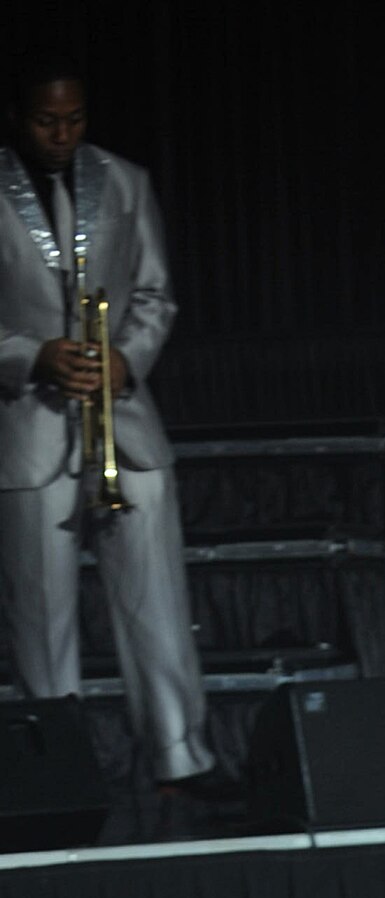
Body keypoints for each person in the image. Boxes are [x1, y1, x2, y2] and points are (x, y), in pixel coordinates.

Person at [0, 53, 220, 791]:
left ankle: (180, 757)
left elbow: (156, 293)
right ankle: (55, 768)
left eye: (74, 118)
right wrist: (33, 355)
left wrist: (126, 357)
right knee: (42, 618)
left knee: (156, 601)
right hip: (29, 429)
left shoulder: (126, 182)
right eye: (44, 120)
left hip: (126, 426)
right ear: (17, 116)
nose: (61, 133)